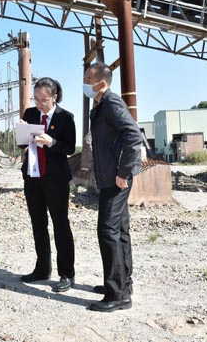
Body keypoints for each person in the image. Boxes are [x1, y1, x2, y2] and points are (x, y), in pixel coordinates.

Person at [83, 62, 142, 312]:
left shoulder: (111, 103)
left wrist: (123, 171)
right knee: (119, 230)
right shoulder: (100, 105)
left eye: (89, 79)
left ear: (102, 83)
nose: (85, 83)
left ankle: (117, 294)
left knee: (107, 231)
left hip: (116, 178)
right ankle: (122, 284)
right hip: (109, 176)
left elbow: (133, 135)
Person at [19, 77, 76, 293]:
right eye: (36, 99)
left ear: (55, 97)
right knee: (38, 223)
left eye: (44, 100)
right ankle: (42, 268)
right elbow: (22, 144)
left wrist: (50, 142)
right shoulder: (30, 114)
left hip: (55, 179)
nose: (39, 104)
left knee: (60, 224)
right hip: (33, 177)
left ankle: (67, 273)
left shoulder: (65, 118)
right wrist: (22, 132)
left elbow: (69, 147)